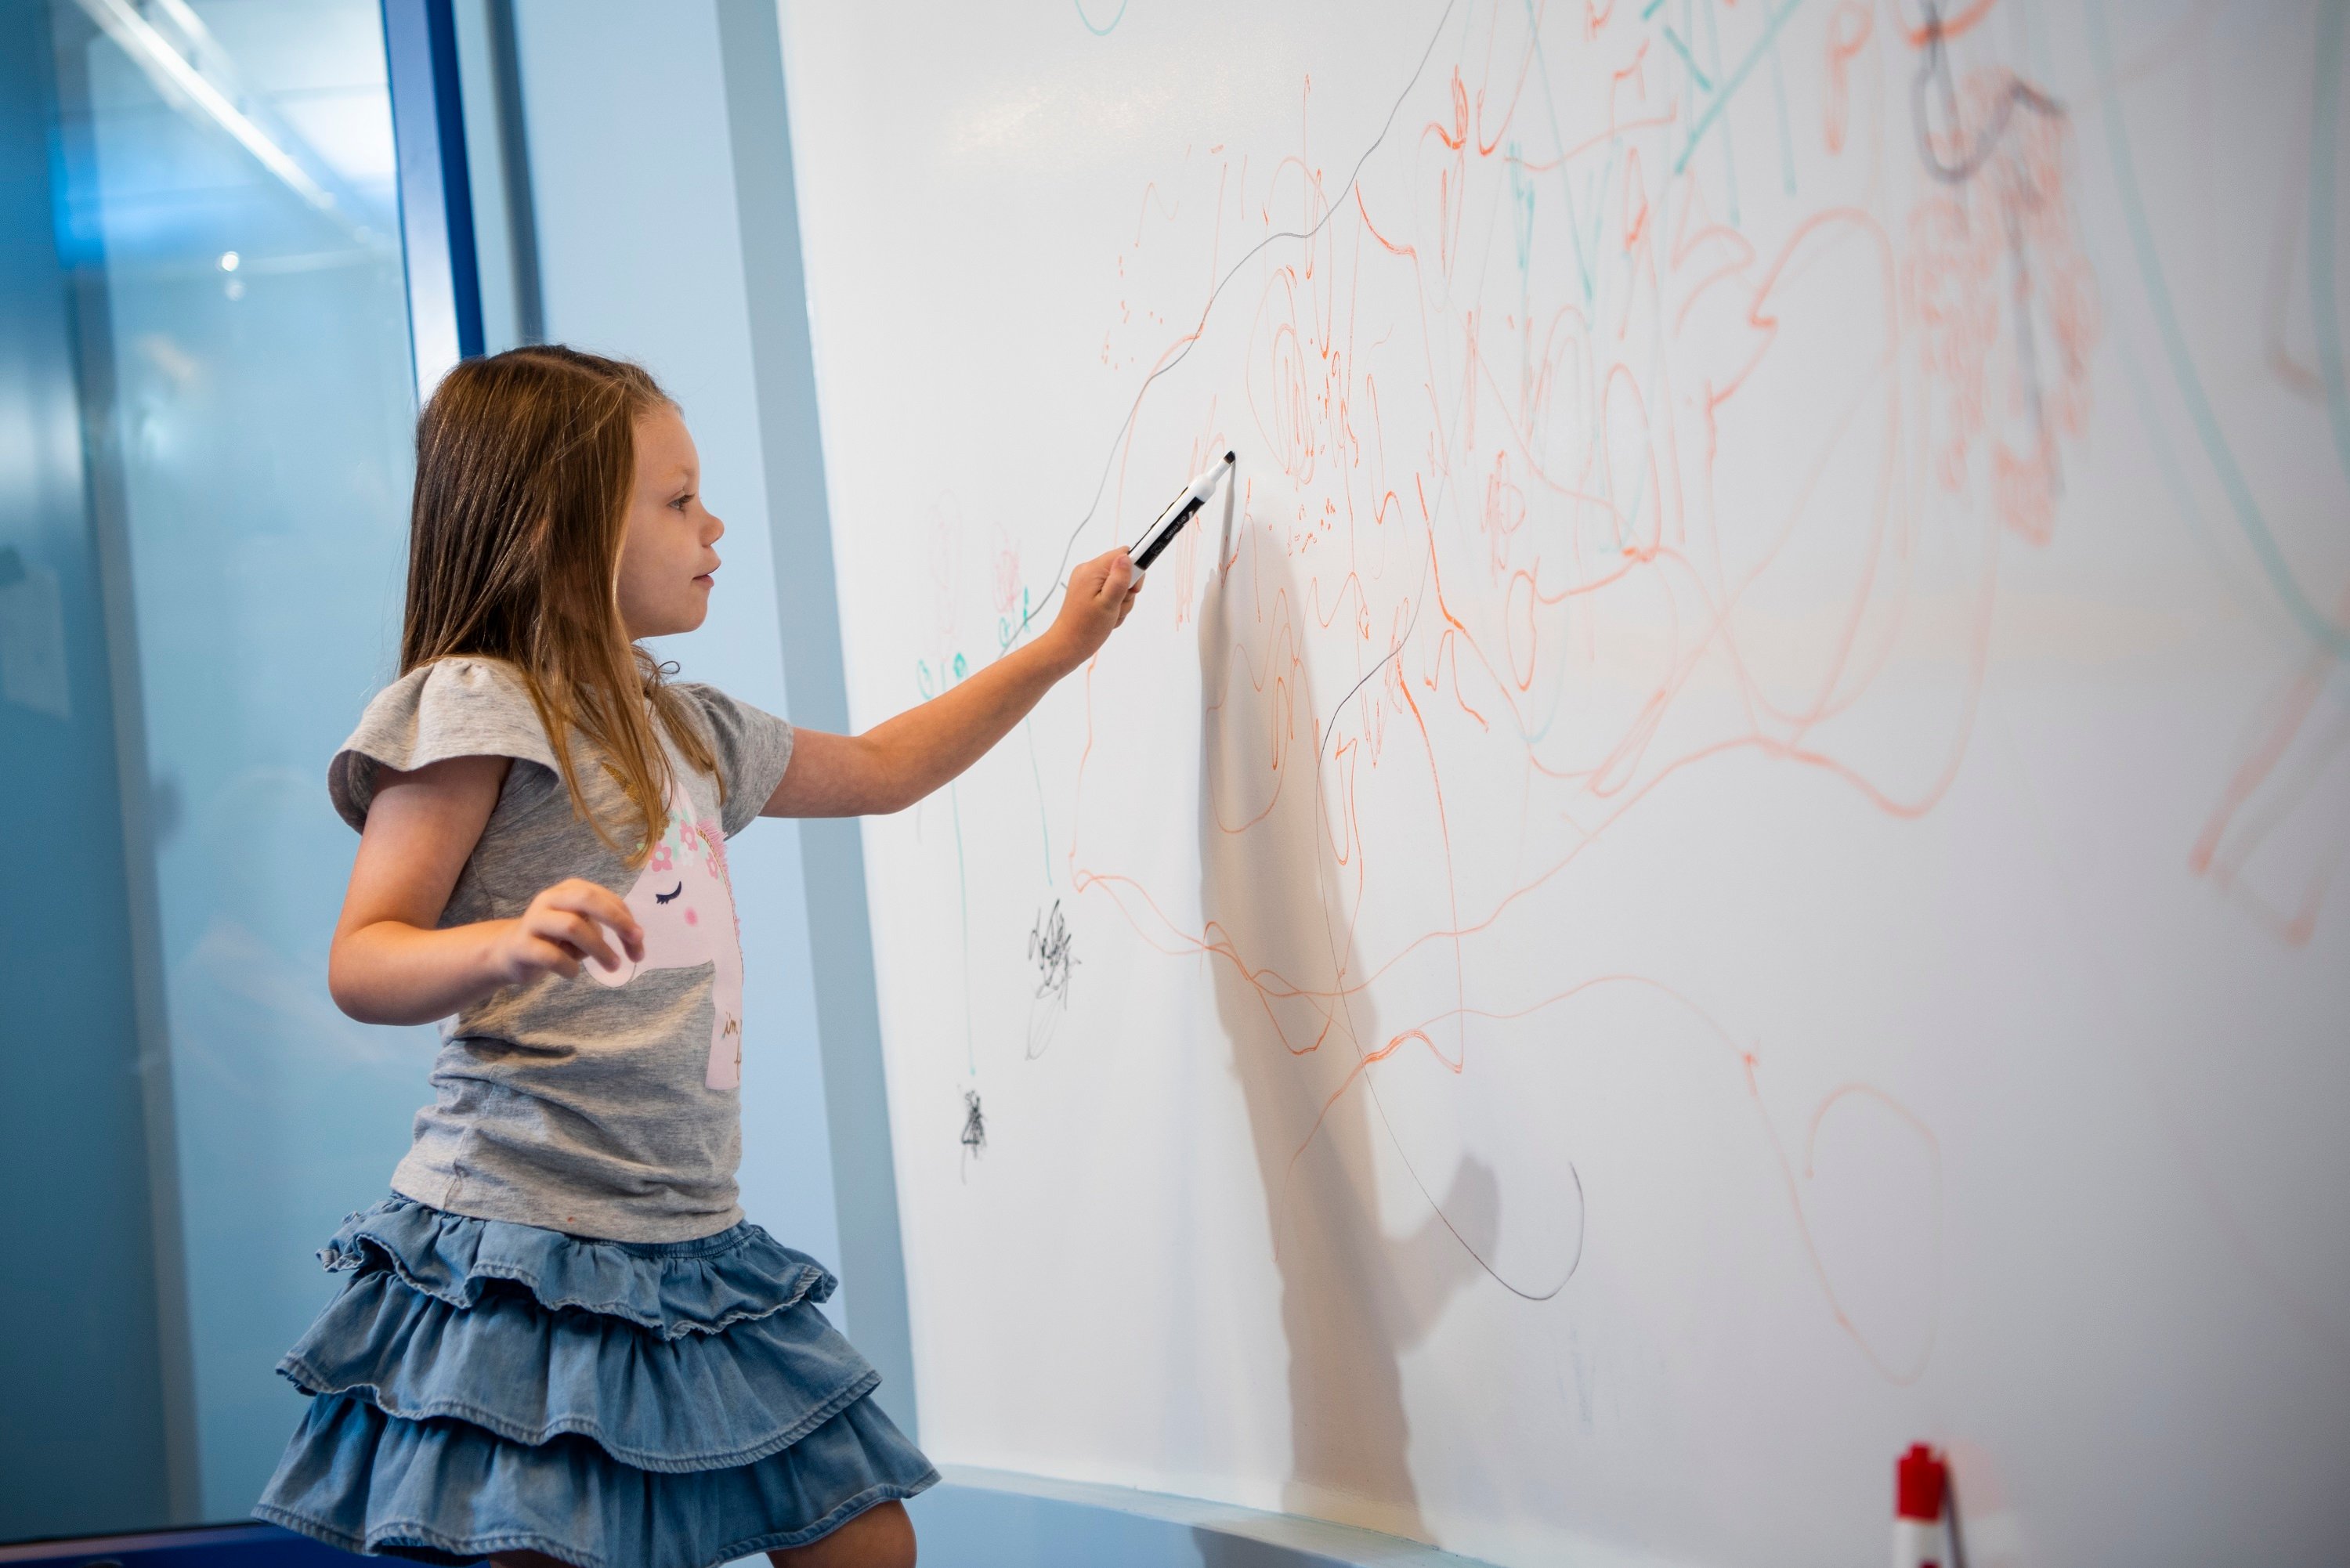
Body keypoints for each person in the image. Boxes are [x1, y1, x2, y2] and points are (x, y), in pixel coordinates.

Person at [253, 345, 1142, 1568]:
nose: (711, 524)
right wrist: (504, 942)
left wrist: (1055, 652)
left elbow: (885, 770)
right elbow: (366, 958)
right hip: (525, 1241)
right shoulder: (475, 705)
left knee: (866, 1541)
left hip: (690, 1242)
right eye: (677, 501)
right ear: (564, 533)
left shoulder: (695, 728)